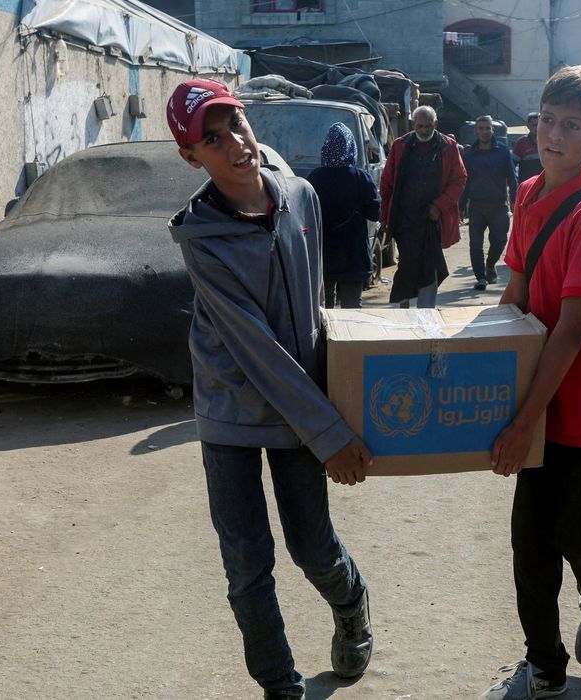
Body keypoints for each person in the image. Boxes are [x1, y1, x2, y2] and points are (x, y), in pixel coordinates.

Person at [164, 79, 374, 699]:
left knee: (312, 547)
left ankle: (352, 604)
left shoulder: (301, 198)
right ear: (191, 157)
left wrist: (338, 400)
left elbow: (314, 317)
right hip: (232, 407)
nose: (234, 144)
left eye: (235, 124)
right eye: (212, 139)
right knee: (247, 565)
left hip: (296, 408)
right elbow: (254, 347)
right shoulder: (201, 238)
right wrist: (331, 433)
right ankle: (280, 685)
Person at [481, 65, 581, 700]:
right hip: (540, 399)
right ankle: (544, 668)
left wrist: (521, 425)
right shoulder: (526, 195)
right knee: (530, 547)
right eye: (547, 119)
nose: (554, 133)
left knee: (578, 533)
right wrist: (470, 353)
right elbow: (516, 292)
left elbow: (571, 332)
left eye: (572, 125)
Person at [379, 105, 467, 308]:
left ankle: (426, 311)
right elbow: (387, 184)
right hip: (404, 219)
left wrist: (439, 205)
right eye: (420, 126)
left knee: (430, 265)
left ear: (435, 124)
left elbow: (459, 179)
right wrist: (385, 216)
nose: (424, 130)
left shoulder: (448, 146)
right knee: (407, 263)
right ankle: (404, 308)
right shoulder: (401, 145)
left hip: (432, 219)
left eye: (428, 126)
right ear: (413, 125)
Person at [307, 122, 381, 308]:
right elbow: (375, 214)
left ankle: (325, 338)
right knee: (351, 310)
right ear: (351, 147)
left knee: (323, 307)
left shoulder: (314, 178)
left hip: (323, 255)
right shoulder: (361, 177)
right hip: (353, 256)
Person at [460, 114, 518, 291]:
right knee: (475, 244)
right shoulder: (469, 155)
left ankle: (490, 264)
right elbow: (465, 182)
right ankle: (481, 277)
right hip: (477, 207)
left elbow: (512, 178)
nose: (484, 132)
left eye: (487, 128)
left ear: (492, 130)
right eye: (481, 128)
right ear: (476, 131)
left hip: (499, 207)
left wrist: (514, 200)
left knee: (499, 241)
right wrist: (461, 205)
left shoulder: (502, 152)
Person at [513, 111, 542, 184]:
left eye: (539, 125)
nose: (537, 128)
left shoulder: (548, 141)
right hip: (527, 188)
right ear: (528, 126)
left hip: (544, 187)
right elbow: (512, 166)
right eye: (535, 125)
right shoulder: (521, 143)